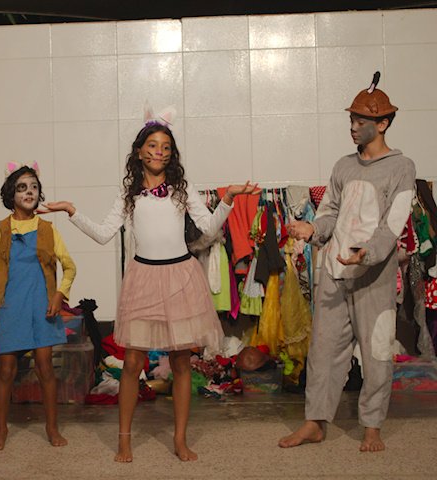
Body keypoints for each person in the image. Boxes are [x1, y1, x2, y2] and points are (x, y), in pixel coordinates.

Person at [43, 111, 258, 462]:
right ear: (140, 151)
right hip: (143, 279)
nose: (160, 151)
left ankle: (180, 439)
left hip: (180, 278)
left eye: (166, 147)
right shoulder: (128, 194)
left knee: (181, 362)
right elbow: (103, 234)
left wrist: (230, 198)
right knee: (132, 362)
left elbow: (208, 227)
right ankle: (124, 440)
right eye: (153, 145)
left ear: (171, 154)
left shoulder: (182, 190)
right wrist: (71, 211)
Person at [279, 73, 415, 452]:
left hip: (374, 278)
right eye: (352, 119)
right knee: (322, 351)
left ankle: (371, 426)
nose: (353, 126)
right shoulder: (343, 166)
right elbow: (330, 212)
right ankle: (315, 422)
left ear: (382, 124)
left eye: (361, 120)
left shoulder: (401, 168)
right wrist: (313, 229)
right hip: (335, 274)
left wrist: (366, 253)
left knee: (376, 353)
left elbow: (393, 222)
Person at [0, 164, 77, 450]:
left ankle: (52, 428)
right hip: (10, 307)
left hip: (42, 308)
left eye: (34, 187)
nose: (29, 192)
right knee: (6, 369)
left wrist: (60, 294)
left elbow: (70, 267)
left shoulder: (48, 229)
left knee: (45, 368)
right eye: (22, 187)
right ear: (11, 194)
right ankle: (1, 430)